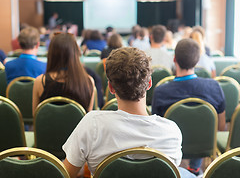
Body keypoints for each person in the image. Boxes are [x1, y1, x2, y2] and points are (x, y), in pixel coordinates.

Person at [62, 47, 196, 178]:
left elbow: (66, 173)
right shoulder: (171, 132)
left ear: (111, 87)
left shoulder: (92, 125)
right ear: (149, 83)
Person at [152, 38, 226, 176]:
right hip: (204, 144)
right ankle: (195, 168)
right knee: (200, 128)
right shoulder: (214, 87)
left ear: (174, 59)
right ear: (197, 61)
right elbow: (221, 126)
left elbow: (158, 129)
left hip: (172, 146)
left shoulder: (161, 91)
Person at [32, 33, 95, 114]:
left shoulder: (40, 81)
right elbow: (88, 119)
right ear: (75, 53)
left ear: (51, 53)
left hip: (49, 126)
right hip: (78, 127)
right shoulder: (89, 81)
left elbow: (36, 118)